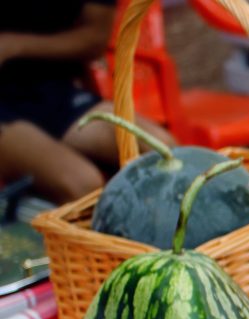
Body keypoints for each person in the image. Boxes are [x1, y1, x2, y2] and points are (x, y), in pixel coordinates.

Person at [0, 1, 174, 205]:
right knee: (84, 185)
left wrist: (14, 45)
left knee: (166, 151)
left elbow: (95, 37)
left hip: (54, 89)